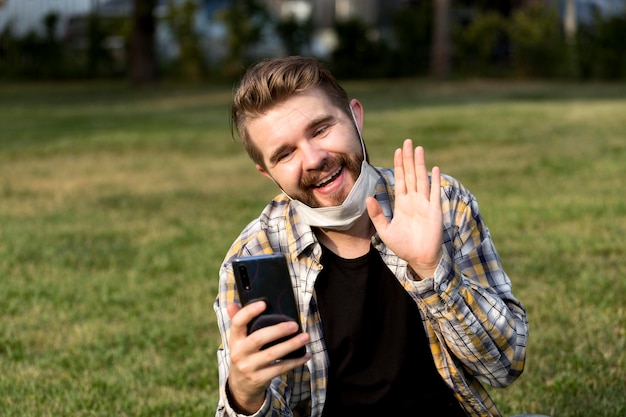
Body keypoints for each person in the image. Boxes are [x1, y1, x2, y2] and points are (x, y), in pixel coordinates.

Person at [214, 56, 529, 417]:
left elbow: (505, 366)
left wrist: (432, 271)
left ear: (355, 118)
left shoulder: (441, 203)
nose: (314, 158)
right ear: (267, 172)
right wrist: (244, 395)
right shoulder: (254, 255)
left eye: (320, 130)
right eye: (285, 154)